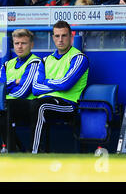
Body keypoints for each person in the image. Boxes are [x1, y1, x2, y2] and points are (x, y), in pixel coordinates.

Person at [31, 21, 89, 154]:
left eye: (64, 36)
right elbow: (35, 88)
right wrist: (57, 84)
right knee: (13, 106)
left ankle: (34, 153)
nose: (60, 40)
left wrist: (47, 82)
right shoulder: (45, 60)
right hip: (46, 100)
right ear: (53, 38)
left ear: (71, 36)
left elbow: (66, 85)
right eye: (57, 36)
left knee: (40, 105)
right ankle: (10, 150)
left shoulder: (79, 58)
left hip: (68, 105)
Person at [0, 28, 42, 152]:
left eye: (24, 43)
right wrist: (15, 81)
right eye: (17, 43)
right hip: (9, 103)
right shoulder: (7, 64)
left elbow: (24, 91)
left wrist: (7, 88)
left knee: (7, 106)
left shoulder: (35, 62)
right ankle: (15, 149)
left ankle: (12, 150)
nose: (20, 47)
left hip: (29, 105)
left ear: (31, 45)